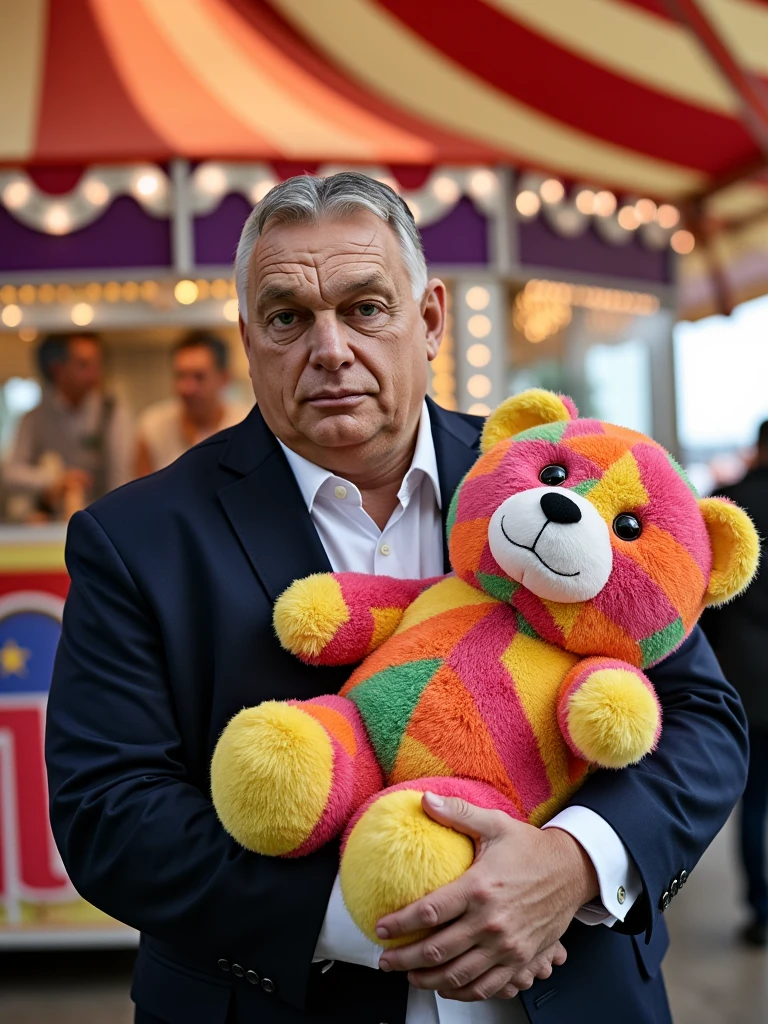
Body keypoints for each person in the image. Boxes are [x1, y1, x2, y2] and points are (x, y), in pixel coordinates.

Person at [45, 173, 747, 1024]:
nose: (330, 347)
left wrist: (575, 863)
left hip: (575, 993)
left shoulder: (553, 474)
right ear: (247, 338)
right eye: (287, 317)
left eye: (366, 307)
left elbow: (702, 718)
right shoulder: (138, 537)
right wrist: (380, 920)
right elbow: (110, 812)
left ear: (429, 319)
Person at [702, 422, 768, 947]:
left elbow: (704, 601)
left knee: (757, 801)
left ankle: (762, 911)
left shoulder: (731, 504)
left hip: (745, 674)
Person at [5, 332, 134, 517]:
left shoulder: (113, 413)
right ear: (57, 369)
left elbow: (122, 480)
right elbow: (11, 474)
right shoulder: (35, 418)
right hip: (52, 525)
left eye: (97, 363)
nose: (95, 373)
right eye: (84, 364)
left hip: (101, 522)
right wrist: (55, 480)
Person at [135, 331, 251, 475]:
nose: (187, 388)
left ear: (223, 378)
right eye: (180, 376)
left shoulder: (246, 427)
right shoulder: (153, 427)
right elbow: (140, 492)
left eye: (199, 377)